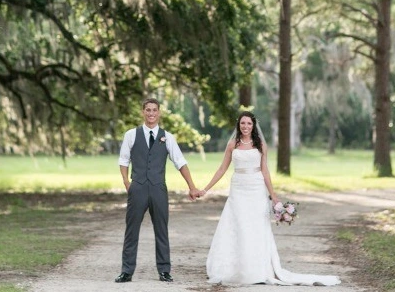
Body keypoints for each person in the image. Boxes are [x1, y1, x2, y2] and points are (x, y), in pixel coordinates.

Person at [200, 111, 341, 286]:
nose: (245, 127)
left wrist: (273, 196)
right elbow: (222, 169)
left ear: (253, 126)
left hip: (256, 187)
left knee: (257, 226)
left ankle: (258, 268)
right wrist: (206, 189)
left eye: (249, 124)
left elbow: (264, 170)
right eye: (242, 123)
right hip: (238, 188)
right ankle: (236, 268)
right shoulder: (232, 144)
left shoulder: (260, 145)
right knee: (238, 225)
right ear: (239, 125)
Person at [115, 98, 202, 284]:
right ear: (143, 112)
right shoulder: (131, 135)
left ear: (159, 112)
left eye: (154, 110)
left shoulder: (167, 137)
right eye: (148, 110)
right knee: (132, 230)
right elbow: (123, 161)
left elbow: (180, 162)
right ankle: (126, 271)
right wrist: (126, 182)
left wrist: (192, 186)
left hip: (158, 189)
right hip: (137, 188)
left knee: (161, 230)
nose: (151, 113)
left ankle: (164, 270)